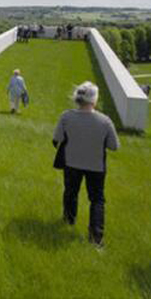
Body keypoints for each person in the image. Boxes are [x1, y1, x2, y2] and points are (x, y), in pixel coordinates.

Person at [52, 82, 120, 248]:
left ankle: (69, 219)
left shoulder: (66, 116)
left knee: (71, 192)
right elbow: (114, 146)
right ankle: (96, 238)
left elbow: (57, 138)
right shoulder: (105, 121)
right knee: (97, 200)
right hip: (96, 165)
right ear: (94, 100)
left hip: (71, 162)